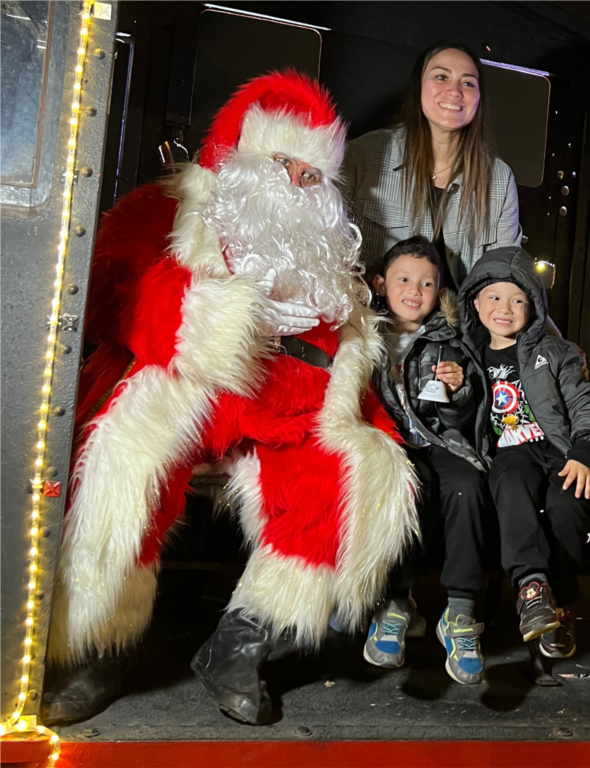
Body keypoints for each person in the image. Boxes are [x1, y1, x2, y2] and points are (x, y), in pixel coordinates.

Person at [43, 72, 418, 726]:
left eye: (312, 174)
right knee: (125, 455)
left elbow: (352, 352)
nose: (300, 182)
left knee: (348, 479)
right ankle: (101, 644)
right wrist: (208, 318)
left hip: (285, 412)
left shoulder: (327, 254)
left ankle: (239, 646)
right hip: (189, 391)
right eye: (284, 163)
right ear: (243, 155)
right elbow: (103, 292)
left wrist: (368, 426)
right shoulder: (167, 210)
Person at [459, 246, 590, 657]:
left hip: (559, 449)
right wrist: (454, 387)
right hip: (509, 454)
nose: (505, 308)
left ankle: (557, 608)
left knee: (568, 502)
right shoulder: (467, 356)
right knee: (511, 483)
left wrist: (585, 451)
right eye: (494, 297)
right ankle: (531, 588)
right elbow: (455, 412)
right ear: (475, 302)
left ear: (534, 306)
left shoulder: (557, 353)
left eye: (518, 300)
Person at [362, 235, 492, 685]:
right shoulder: (364, 333)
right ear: (381, 283)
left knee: (468, 485)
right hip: (391, 444)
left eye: (426, 283)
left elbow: (465, 412)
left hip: (442, 440)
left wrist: (458, 390)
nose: (414, 291)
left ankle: (459, 611)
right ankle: (397, 601)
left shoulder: (447, 337)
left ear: (439, 293)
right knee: (409, 486)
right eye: (403, 279)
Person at [342, 41, 522, 288]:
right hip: (374, 322)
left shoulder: (499, 179)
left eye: (468, 83)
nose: (455, 91)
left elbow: (505, 275)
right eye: (441, 77)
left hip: (461, 323)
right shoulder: (362, 155)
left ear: (479, 98)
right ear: (419, 86)